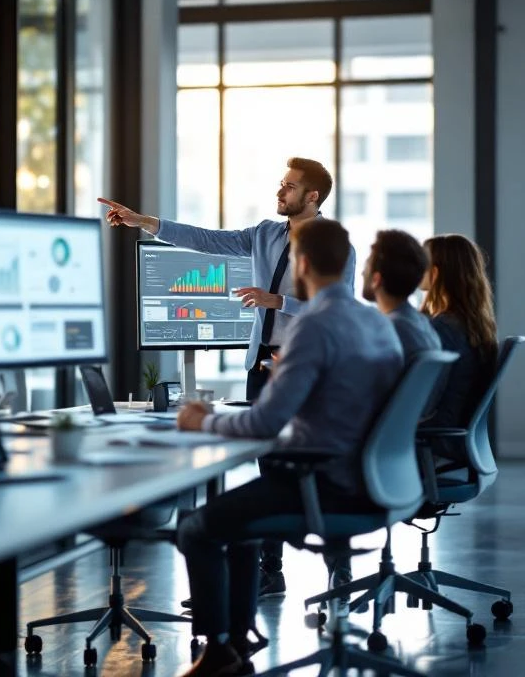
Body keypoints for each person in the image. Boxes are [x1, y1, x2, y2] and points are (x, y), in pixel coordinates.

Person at [99, 157, 356, 595]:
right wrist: (144, 222)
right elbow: (205, 239)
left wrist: (279, 302)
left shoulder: (335, 247)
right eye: (281, 183)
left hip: (309, 366)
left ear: (312, 196)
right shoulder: (265, 234)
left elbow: (338, 305)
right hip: (263, 365)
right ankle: (270, 571)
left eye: (289, 187)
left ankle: (340, 571)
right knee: (267, 466)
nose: (280, 192)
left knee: (318, 467)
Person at [173, 220, 404, 676]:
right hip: (376, 482)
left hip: (322, 483)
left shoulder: (313, 325)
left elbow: (264, 423)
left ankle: (219, 652)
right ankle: (238, 638)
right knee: (241, 527)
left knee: (196, 528)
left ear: (301, 264)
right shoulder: (375, 322)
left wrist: (204, 420)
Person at [419, 234, 498, 460]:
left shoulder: (444, 327)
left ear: (435, 273)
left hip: (437, 435)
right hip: (457, 434)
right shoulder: (473, 324)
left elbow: (426, 401)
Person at [361, 229, 440, 361]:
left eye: (367, 266)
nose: (362, 273)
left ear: (376, 280)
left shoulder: (388, 331)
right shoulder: (424, 325)